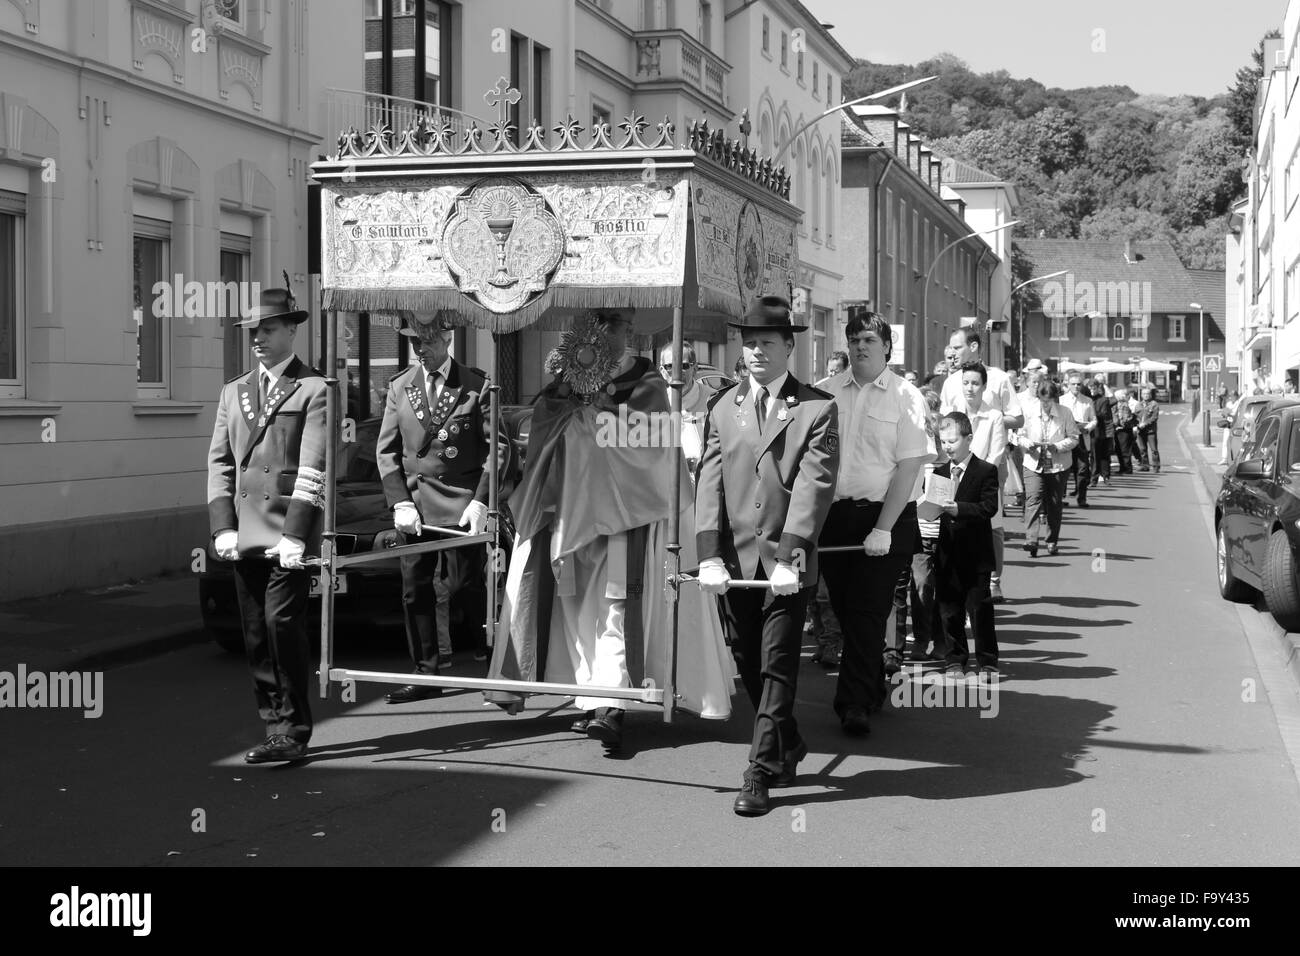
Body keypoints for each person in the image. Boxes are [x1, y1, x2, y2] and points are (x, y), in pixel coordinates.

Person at [488, 310, 734, 748]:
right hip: (570, 516)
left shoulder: (650, 384)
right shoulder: (563, 383)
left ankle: (612, 707)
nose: (604, 333)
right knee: (576, 611)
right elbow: (542, 429)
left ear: (630, 329)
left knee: (618, 608)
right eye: (595, 323)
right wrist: (574, 411)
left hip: (628, 519)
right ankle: (589, 696)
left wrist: (599, 419)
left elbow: (657, 446)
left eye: (614, 324)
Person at [695, 295, 839, 817]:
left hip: (784, 563)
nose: (756, 351)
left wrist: (793, 555)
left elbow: (813, 486)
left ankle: (759, 772)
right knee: (747, 663)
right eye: (749, 342)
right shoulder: (722, 406)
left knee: (777, 664)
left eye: (767, 343)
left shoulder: (817, 408)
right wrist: (708, 554)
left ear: (789, 348)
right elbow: (708, 482)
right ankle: (789, 741)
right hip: (734, 560)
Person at [207, 284, 327, 764]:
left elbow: (314, 463)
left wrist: (297, 533)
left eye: (269, 328)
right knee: (255, 630)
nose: (258, 337)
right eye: (252, 329)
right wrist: (222, 527)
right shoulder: (233, 390)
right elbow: (219, 463)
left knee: (282, 624)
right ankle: (274, 724)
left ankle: (294, 729)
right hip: (244, 528)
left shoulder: (315, 388)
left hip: (286, 530)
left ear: (292, 330)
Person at [376, 311, 506, 702]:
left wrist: (482, 500)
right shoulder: (400, 386)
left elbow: (497, 450)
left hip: (459, 505)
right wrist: (399, 501)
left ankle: (491, 663)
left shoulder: (475, 385)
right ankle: (425, 671)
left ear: (448, 339)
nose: (421, 351)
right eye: (416, 343)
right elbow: (386, 451)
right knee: (415, 590)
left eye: (428, 343)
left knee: (466, 585)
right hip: (415, 508)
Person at [818, 308, 929, 737]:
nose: (860, 346)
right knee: (847, 612)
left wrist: (883, 528)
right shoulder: (826, 391)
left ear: (887, 347)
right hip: (836, 519)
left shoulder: (906, 396)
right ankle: (871, 685)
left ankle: (853, 703)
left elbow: (909, 466)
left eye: (869, 340)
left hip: (885, 518)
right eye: (854, 340)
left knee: (867, 612)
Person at [939, 332, 1022, 601]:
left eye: (957, 346)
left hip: (988, 468)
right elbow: (945, 423)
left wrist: (990, 421)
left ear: (973, 347)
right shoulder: (951, 382)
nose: (952, 352)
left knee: (991, 527)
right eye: (950, 347)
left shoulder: (998, 378)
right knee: (954, 526)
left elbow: (1017, 420)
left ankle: (993, 580)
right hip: (955, 466)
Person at [934, 412, 1001, 682]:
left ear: (968, 439)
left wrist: (958, 508)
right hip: (948, 551)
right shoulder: (939, 472)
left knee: (979, 608)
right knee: (950, 609)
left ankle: (987, 661)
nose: (947, 446)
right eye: (943, 442)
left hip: (976, 553)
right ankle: (955, 659)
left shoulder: (985, 470)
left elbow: (988, 508)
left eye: (952, 441)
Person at [1016, 380, 1079, 557]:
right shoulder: (1029, 411)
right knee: (1033, 499)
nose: (1046, 404)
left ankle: (1051, 541)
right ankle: (1031, 540)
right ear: (1039, 398)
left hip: (1058, 465)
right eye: (1043, 401)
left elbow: (1074, 438)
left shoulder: (1065, 412)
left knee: (1054, 503)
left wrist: (1058, 446)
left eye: (1049, 401)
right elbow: (1019, 435)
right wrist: (1028, 443)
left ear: (1055, 398)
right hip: (1033, 462)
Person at [908, 388, 948, 663]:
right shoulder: (913, 464)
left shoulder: (947, 467)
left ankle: (942, 641)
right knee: (921, 587)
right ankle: (922, 639)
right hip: (919, 535)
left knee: (942, 589)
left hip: (944, 535)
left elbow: (941, 503)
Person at [659, 342, 717, 478]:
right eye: (669, 366)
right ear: (662, 371)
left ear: (695, 369)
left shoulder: (715, 401)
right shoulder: (656, 404)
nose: (677, 372)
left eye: (683, 366)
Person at [1062, 375, 1096, 507]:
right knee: (1064, 468)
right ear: (1068, 385)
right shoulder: (1062, 400)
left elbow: (1093, 419)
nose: (1076, 386)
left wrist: (1087, 428)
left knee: (1082, 468)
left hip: (1082, 437)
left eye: (1078, 384)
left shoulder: (1087, 400)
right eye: (1073, 384)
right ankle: (1061, 497)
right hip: (1066, 437)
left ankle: (1082, 498)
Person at [1090, 380, 1116, 485]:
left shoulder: (1103, 399)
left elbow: (1102, 414)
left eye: (1094, 387)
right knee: (1094, 455)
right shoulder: (1086, 399)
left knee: (1104, 454)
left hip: (1102, 430)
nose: (1092, 390)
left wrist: (1090, 414)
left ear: (1098, 388)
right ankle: (1094, 478)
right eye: (1090, 387)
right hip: (1091, 431)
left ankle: (1105, 476)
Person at [1135, 387, 1160, 472]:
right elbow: (1136, 417)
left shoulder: (1154, 404)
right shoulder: (1138, 404)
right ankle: (1145, 466)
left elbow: (1154, 417)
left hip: (1150, 431)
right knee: (1142, 449)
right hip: (1140, 430)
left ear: (1150, 395)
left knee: (1154, 449)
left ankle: (1156, 466)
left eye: (1148, 394)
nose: (1146, 395)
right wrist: (1137, 424)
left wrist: (1145, 423)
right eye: (1144, 394)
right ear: (1141, 395)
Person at [1112, 387, 1137, 473]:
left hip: (1124, 430)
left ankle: (1127, 468)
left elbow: (1126, 418)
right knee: (1119, 449)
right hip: (1119, 429)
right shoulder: (1118, 404)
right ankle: (1123, 467)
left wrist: (1120, 425)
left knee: (1124, 450)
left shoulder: (1124, 405)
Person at [1220, 389, 1242, 465]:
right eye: (1230, 396)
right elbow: (1224, 413)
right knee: (1225, 441)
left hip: (1235, 425)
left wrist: (1231, 413)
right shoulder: (1228, 403)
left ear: (1236, 396)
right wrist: (1225, 413)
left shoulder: (1239, 403)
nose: (1231, 398)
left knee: (1234, 442)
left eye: (1233, 396)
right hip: (1228, 424)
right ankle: (1224, 458)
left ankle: (1234, 459)